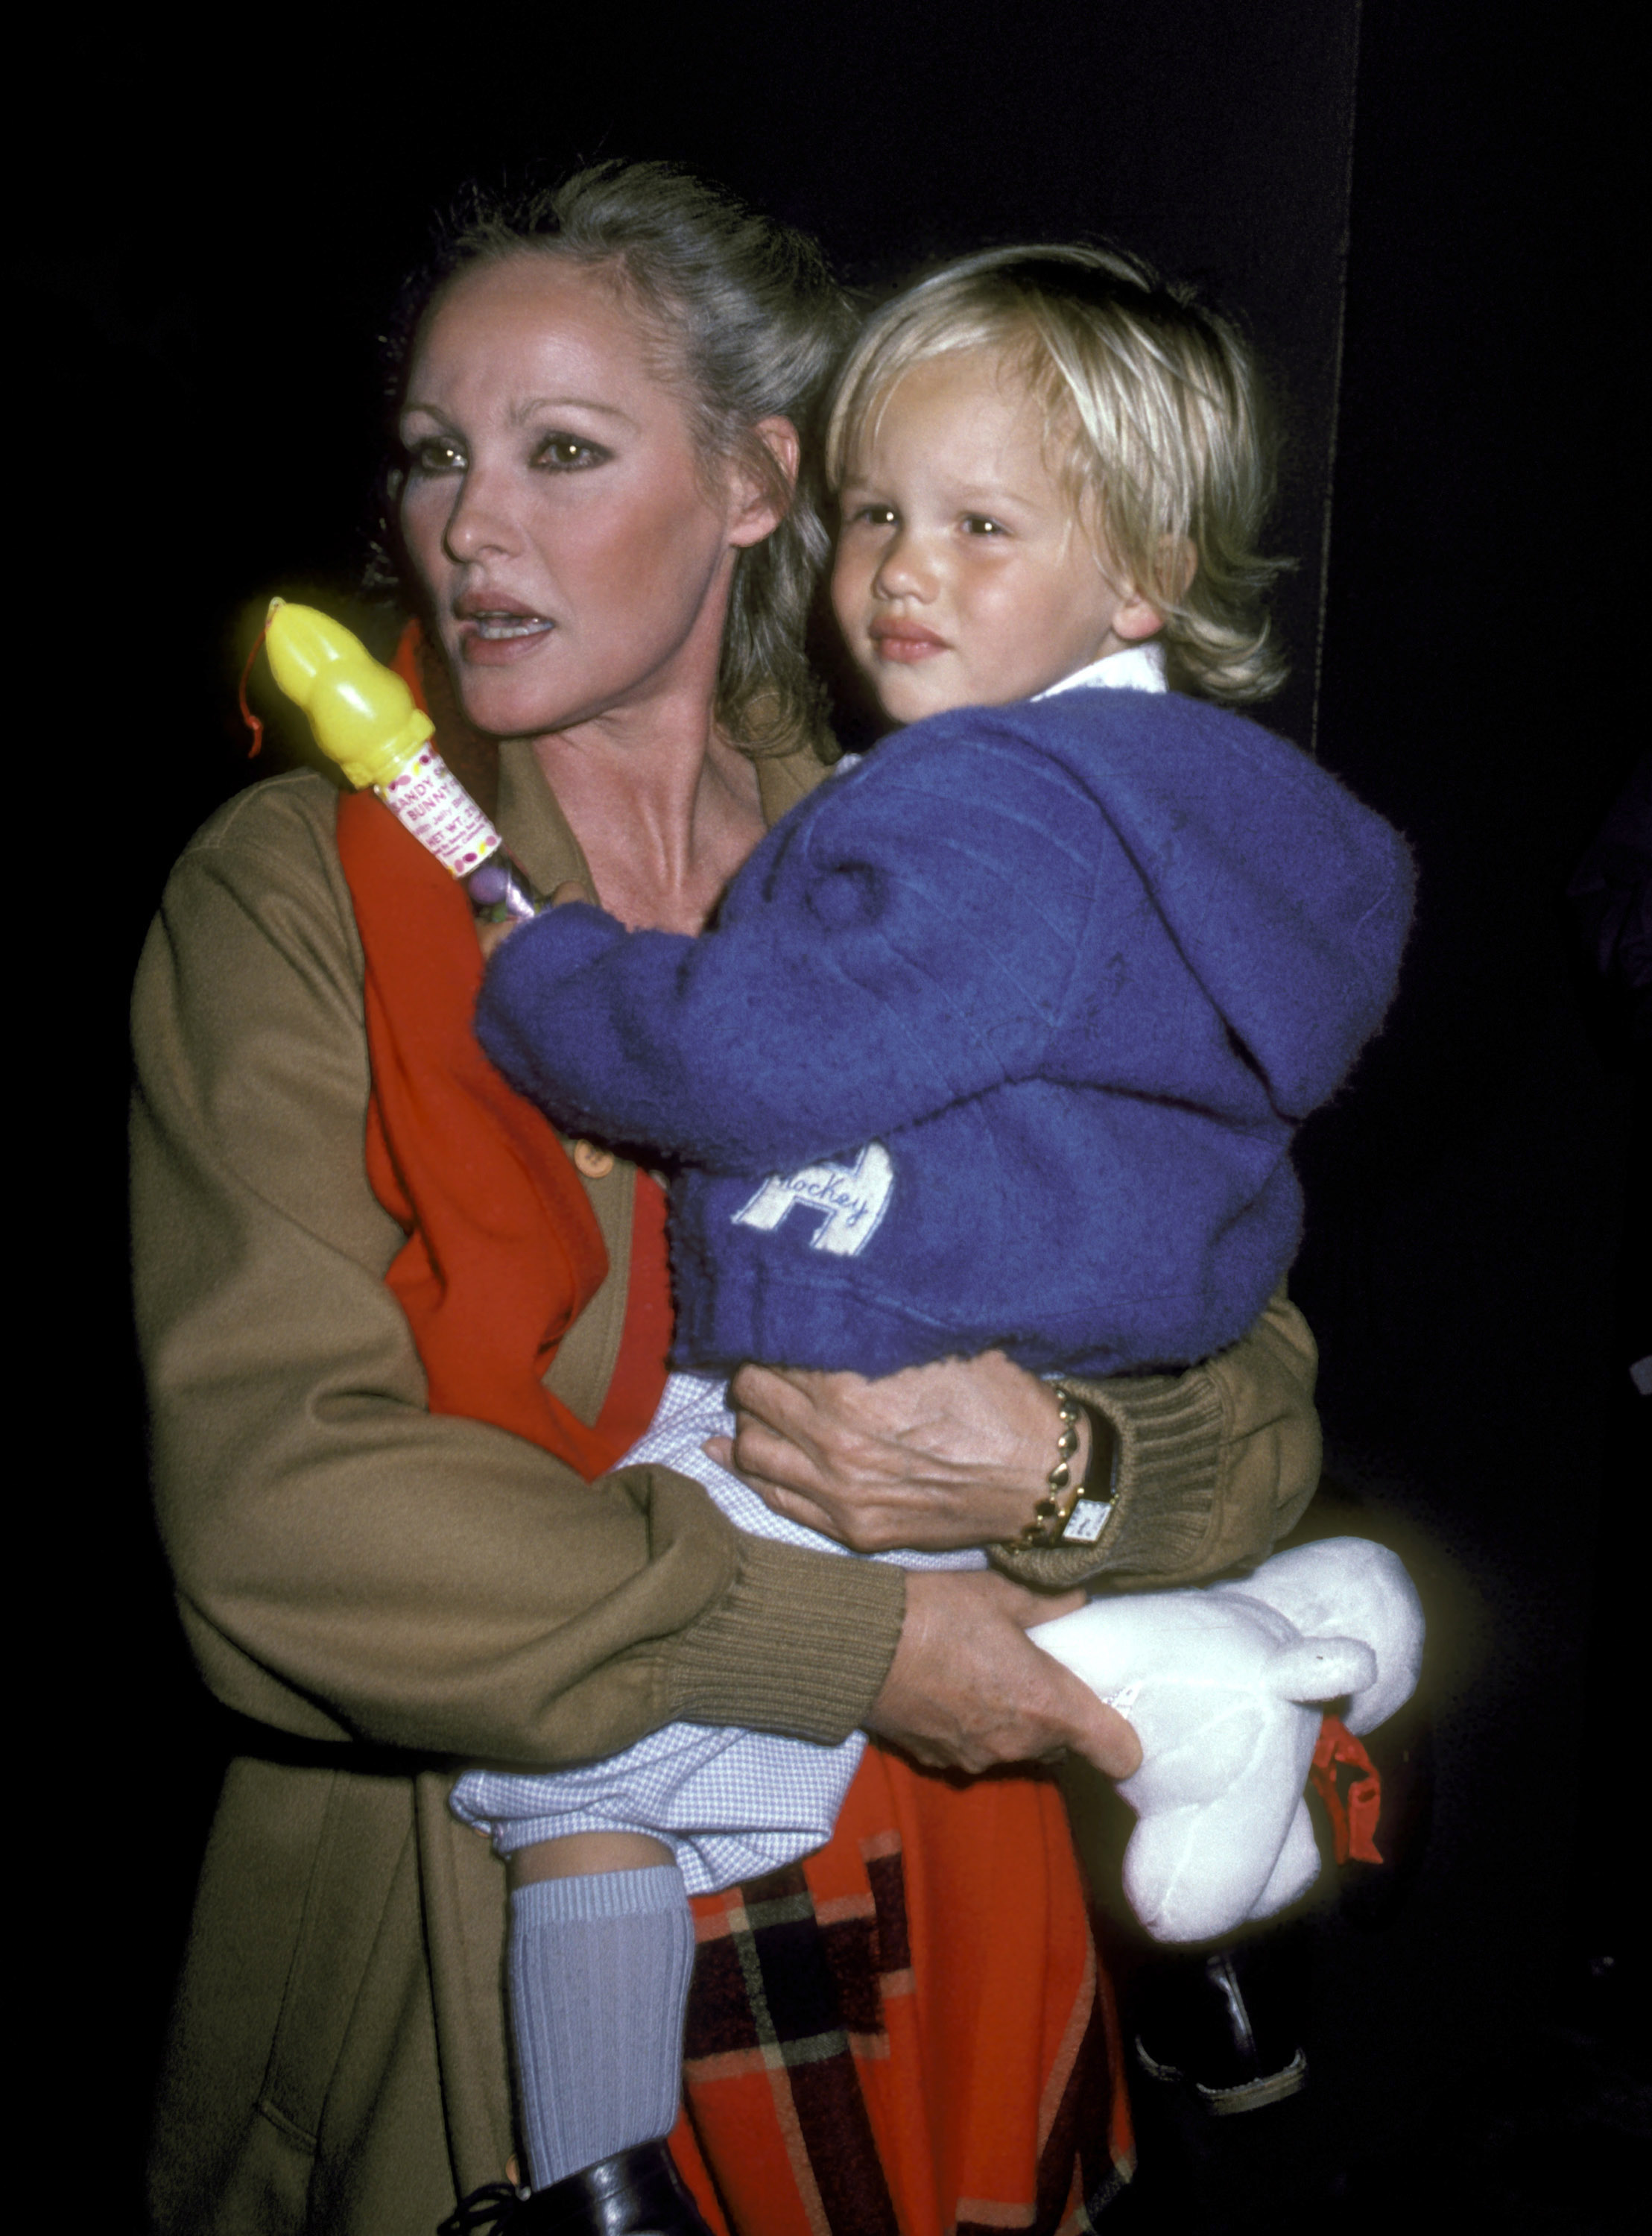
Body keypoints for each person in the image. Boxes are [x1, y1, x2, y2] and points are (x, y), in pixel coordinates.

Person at [134, 167, 1327, 2236]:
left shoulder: (933, 824)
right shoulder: (289, 897)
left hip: (959, 1909)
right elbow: (280, 1521)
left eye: (563, 454)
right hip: (495, 1940)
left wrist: (1056, 1473)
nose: (467, 524)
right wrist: (853, 1640)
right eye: (433, 456)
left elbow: (1254, 1363)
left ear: (761, 484)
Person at [454, 243, 1412, 2219]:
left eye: (980, 525)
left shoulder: (984, 801)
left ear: (1138, 577)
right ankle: (1226, 1658)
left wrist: (552, 984)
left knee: (570, 1775)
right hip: (1082, 1337)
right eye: (877, 513)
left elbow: (763, 1053)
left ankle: (592, 2184)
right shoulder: (1185, 806)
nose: (899, 571)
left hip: (888, 1348)